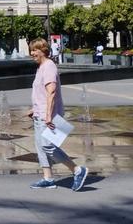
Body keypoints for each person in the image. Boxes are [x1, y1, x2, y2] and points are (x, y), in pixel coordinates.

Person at [27, 38, 88, 191]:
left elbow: (51, 92)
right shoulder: (41, 67)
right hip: (40, 113)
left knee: (47, 146)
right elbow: (42, 93)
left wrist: (48, 115)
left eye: (35, 50)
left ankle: (77, 170)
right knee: (40, 147)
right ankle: (48, 178)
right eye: (31, 50)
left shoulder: (49, 66)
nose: (32, 53)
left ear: (43, 50)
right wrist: (34, 109)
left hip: (49, 115)